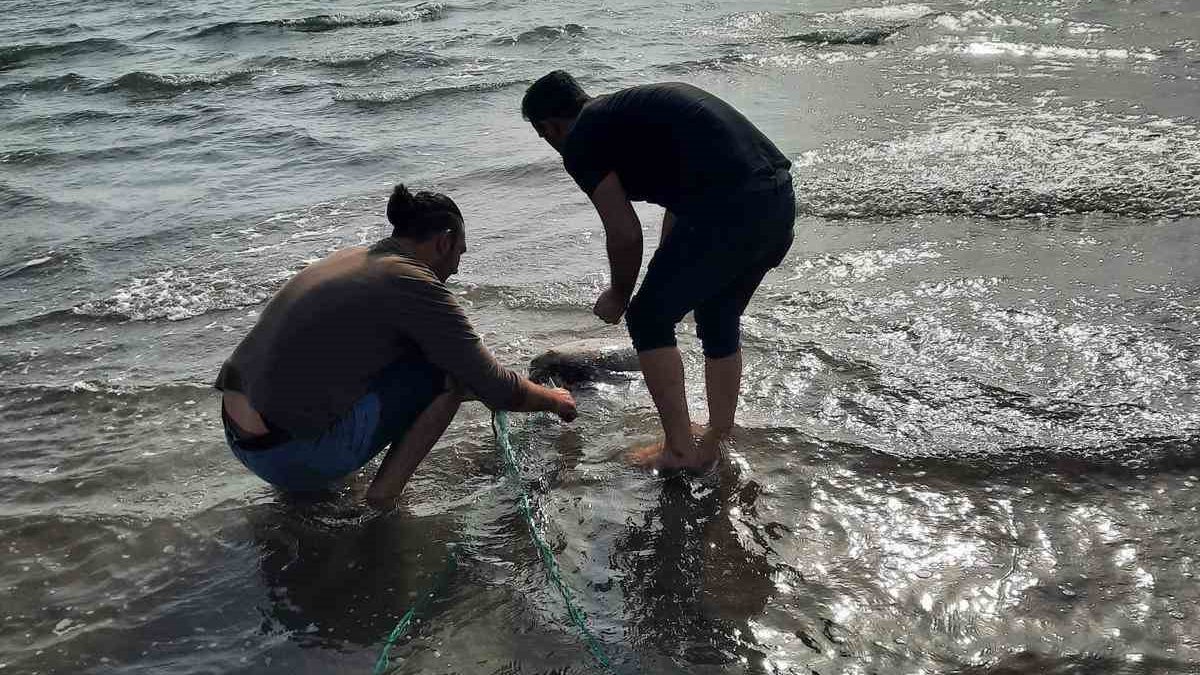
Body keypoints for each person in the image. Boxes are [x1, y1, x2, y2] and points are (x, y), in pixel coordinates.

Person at [215, 185, 577, 508]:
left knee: (417, 359)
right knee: (450, 377)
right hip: (290, 457)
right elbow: (497, 388)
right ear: (444, 242)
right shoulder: (410, 280)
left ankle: (306, 490)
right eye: (460, 253)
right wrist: (554, 400)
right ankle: (383, 498)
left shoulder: (352, 259)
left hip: (240, 437)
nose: (456, 268)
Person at [521, 71, 794, 473]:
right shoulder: (624, 114)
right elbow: (681, 197)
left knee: (647, 317)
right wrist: (667, 268)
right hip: (777, 202)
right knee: (717, 314)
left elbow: (624, 232)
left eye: (543, 136)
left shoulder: (581, 138)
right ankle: (717, 435)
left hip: (731, 205)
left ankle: (680, 450)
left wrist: (619, 294)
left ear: (549, 127)